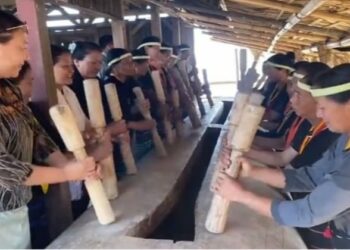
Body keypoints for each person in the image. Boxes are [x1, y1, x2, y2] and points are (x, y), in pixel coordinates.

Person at [214, 64, 350, 249]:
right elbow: (311, 177)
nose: (319, 113)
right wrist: (252, 171)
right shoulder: (344, 139)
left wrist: (241, 195)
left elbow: (307, 213)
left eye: (323, 107)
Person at [0, 10, 99, 248]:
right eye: (22, 47)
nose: (26, 56)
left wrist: (69, 166)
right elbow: (3, 169)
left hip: (15, 208)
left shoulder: (8, 90)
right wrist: (66, 174)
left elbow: (36, 135)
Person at [246, 62, 338, 170]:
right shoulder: (308, 122)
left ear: (318, 98)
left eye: (297, 93)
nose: (291, 99)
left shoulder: (328, 136)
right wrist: (243, 148)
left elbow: (290, 175)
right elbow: (283, 159)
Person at [102, 48, 156, 168]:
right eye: (127, 63)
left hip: (131, 133)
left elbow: (130, 108)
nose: (132, 66)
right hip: (118, 137)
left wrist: (141, 108)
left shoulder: (130, 81)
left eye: (132, 62)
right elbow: (112, 118)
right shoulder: (108, 85)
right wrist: (134, 124)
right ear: (114, 67)